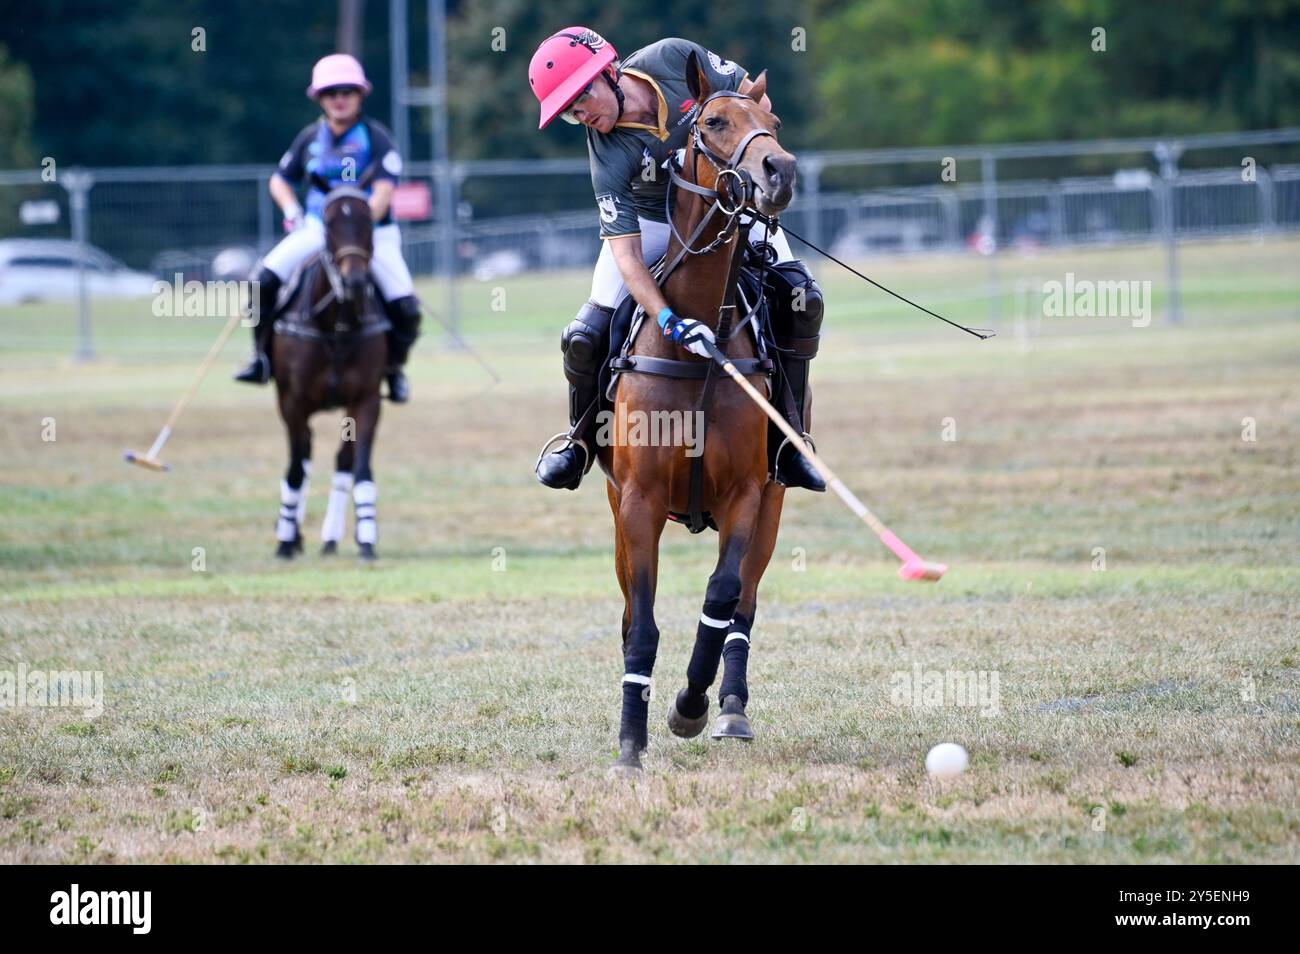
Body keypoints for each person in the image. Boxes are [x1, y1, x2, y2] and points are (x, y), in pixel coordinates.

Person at [528, 28, 825, 491]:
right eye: (567, 113)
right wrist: (665, 318)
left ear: (607, 73)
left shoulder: (673, 58)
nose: (579, 114)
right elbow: (625, 254)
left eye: (578, 99)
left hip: (728, 207)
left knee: (802, 299)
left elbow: (752, 102)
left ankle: (789, 440)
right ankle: (581, 440)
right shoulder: (606, 148)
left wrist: (751, 159)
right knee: (585, 335)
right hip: (651, 226)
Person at [234, 53, 421, 402]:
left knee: (406, 305)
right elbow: (280, 180)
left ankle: (393, 370)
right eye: (331, 91)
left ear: (360, 95)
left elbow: (383, 191)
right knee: (262, 281)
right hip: (317, 230)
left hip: (371, 236)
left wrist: (359, 225)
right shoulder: (309, 139)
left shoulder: (376, 138)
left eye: (347, 91)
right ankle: (260, 357)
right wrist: (292, 209)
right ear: (319, 97)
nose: (339, 98)